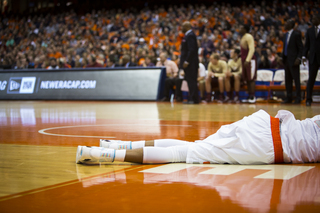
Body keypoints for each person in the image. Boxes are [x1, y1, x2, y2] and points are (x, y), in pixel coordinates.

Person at [76, 109, 320, 165]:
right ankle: (101, 154)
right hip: (267, 146)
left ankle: (116, 144)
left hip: (264, 123)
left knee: (192, 146)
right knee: (185, 153)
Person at [281, 19, 303, 104]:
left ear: (291, 25)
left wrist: (298, 58)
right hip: (286, 60)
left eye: (287, 23)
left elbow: (300, 48)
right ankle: (288, 97)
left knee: (296, 80)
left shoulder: (296, 34)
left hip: (294, 61)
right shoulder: (285, 35)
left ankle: (298, 98)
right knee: (288, 80)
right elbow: (285, 47)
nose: (285, 24)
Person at [179, 21, 200, 104]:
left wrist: (187, 61)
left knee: (192, 81)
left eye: (183, 27)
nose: (181, 28)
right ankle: (192, 98)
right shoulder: (188, 35)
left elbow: (192, 50)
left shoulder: (190, 35)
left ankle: (194, 99)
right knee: (190, 81)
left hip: (191, 63)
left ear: (187, 27)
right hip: (189, 63)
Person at [302, 14, 320, 106]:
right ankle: (308, 99)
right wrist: (304, 56)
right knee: (311, 79)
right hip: (313, 58)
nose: (312, 20)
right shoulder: (309, 31)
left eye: (314, 18)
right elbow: (307, 45)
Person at [239, 24, 257, 104]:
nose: (239, 29)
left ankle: (253, 96)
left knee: (251, 79)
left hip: (250, 60)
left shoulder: (249, 36)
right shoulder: (243, 37)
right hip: (244, 60)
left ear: (245, 29)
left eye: (241, 27)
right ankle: (249, 96)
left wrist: (247, 60)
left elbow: (252, 49)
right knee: (247, 79)